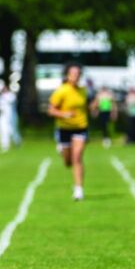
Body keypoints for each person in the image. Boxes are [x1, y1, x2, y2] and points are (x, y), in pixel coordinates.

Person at [48, 64, 91, 201]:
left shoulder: (83, 91)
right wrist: (64, 114)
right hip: (64, 128)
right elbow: (51, 110)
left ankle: (79, 189)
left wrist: (93, 108)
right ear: (67, 75)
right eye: (73, 73)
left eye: (78, 74)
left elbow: (86, 107)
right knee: (68, 162)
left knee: (77, 157)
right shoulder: (61, 91)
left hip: (81, 127)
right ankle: (61, 149)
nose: (76, 76)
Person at [0, 85, 18, 151]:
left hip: (10, 116)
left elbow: (10, 102)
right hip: (1, 116)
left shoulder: (11, 95)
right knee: (2, 131)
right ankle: (4, 145)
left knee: (11, 130)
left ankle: (17, 142)